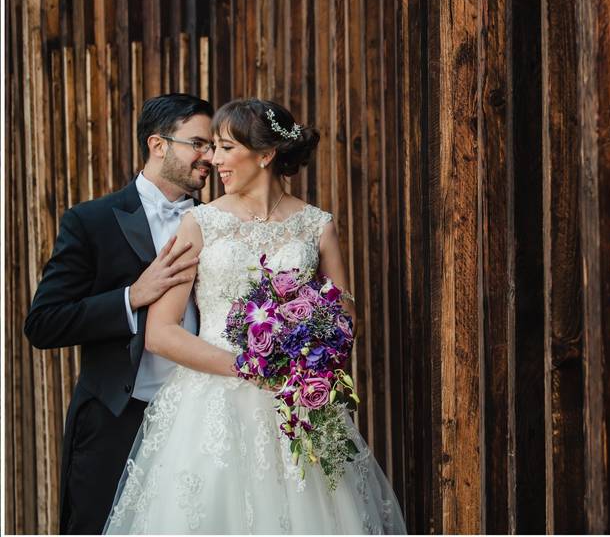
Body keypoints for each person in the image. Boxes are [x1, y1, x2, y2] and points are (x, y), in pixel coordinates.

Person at [102, 98, 405, 534]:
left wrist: (308, 341)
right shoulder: (200, 223)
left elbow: (345, 316)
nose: (213, 158)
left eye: (225, 148)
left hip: (295, 407)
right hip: (210, 410)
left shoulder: (316, 225)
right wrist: (248, 367)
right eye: (212, 148)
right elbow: (161, 333)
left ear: (265, 155)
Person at [23, 94, 216, 534]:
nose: (209, 157)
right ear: (158, 144)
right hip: (114, 419)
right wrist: (131, 296)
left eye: (212, 146)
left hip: (199, 420)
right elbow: (44, 323)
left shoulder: (217, 224)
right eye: (198, 143)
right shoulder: (90, 221)